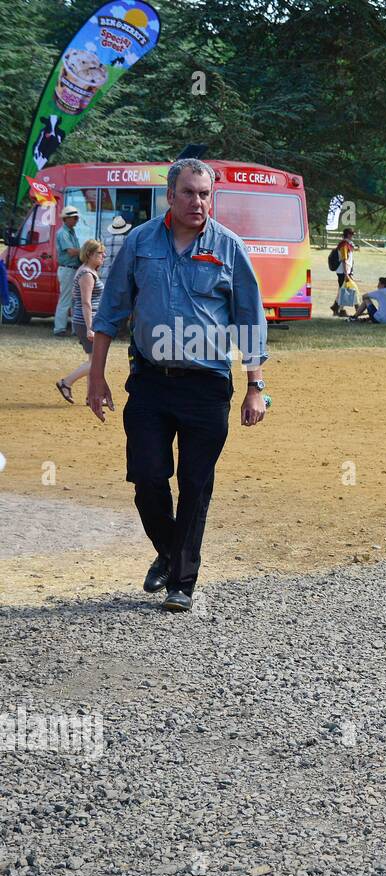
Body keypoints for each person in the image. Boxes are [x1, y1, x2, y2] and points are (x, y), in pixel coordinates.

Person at [86, 157, 268, 612]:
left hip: (206, 385)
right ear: (170, 196)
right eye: (188, 192)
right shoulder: (141, 243)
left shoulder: (229, 247)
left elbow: (250, 319)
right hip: (149, 381)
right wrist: (96, 378)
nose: (198, 202)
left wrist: (255, 386)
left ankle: (181, 582)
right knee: (148, 476)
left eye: (205, 193)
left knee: (195, 483)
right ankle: (169, 551)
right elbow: (110, 311)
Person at [55, 238, 105, 402]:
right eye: (99, 253)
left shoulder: (89, 271)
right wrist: (90, 327)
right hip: (86, 321)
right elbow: (86, 302)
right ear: (89, 254)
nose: (103, 255)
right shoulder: (87, 274)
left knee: (93, 360)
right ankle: (66, 382)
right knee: (96, 361)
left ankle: (92, 397)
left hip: (87, 320)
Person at [53, 205, 82, 337]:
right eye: (74, 218)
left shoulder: (70, 232)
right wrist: (87, 250)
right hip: (67, 269)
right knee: (66, 299)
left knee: (75, 300)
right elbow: (71, 252)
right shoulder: (63, 233)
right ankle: (59, 329)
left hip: (72, 269)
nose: (76, 220)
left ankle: (75, 329)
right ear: (66, 219)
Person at [331, 227, 356, 316]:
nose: (353, 236)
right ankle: (340, 310)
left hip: (346, 271)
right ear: (348, 235)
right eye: (352, 234)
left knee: (343, 289)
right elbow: (344, 259)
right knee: (345, 290)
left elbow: (349, 260)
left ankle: (336, 307)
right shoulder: (344, 245)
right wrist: (346, 274)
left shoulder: (347, 244)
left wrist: (350, 272)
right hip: (343, 271)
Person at [100, 214, 131, 284]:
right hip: (121, 278)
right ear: (125, 229)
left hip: (104, 277)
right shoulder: (128, 241)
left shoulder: (104, 242)